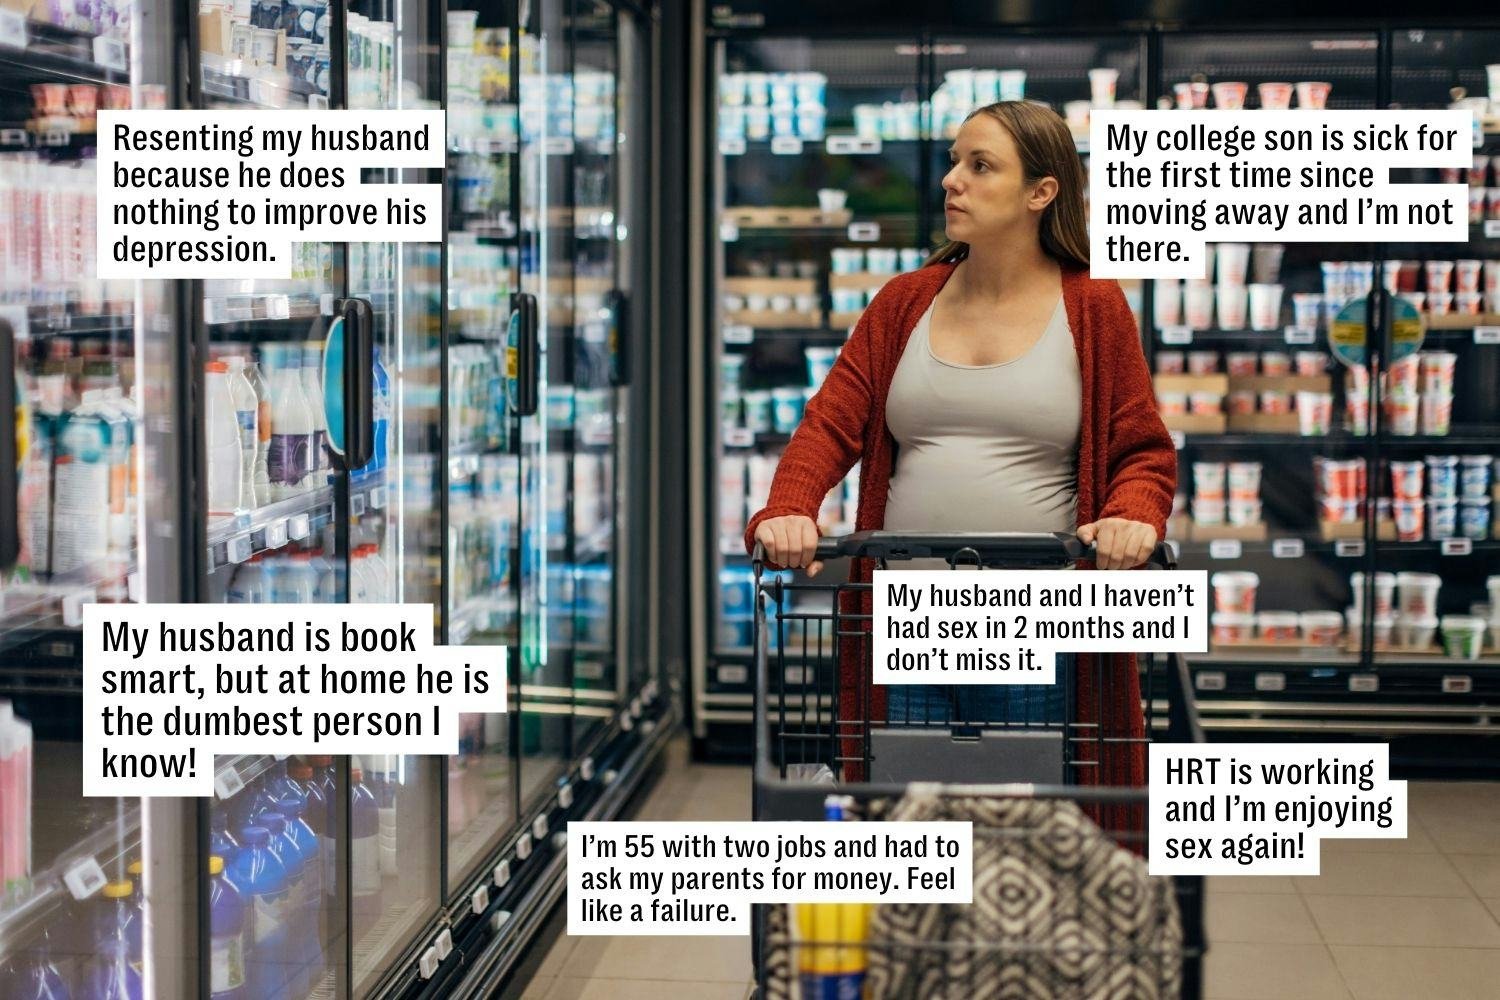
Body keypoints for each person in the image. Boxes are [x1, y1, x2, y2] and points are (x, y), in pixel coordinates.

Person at [744, 101, 1176, 790]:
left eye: (980, 166)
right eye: (953, 161)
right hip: (905, 620)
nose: (952, 180)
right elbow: (829, 424)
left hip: (1035, 623)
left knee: (1027, 825)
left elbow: (1141, 451)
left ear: (1042, 192)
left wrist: (1133, 516)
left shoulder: (1093, 307)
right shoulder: (904, 302)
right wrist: (789, 506)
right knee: (906, 819)